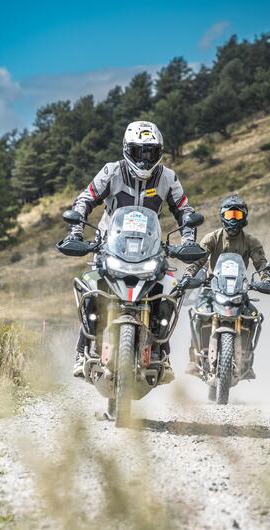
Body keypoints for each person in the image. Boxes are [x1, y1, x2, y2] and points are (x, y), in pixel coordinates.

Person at [64, 120, 196, 378]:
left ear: (159, 152)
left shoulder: (168, 177)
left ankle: (163, 354)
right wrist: (76, 230)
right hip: (110, 244)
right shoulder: (111, 171)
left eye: (151, 153)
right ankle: (82, 352)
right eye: (139, 152)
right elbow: (85, 199)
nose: (145, 160)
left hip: (151, 247)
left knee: (166, 290)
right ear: (127, 150)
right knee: (94, 286)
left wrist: (189, 239)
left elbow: (185, 211)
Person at [184, 194, 270, 377]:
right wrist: (188, 274)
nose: (233, 219)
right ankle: (194, 359)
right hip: (212, 287)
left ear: (244, 218)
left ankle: (247, 359)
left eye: (238, 215)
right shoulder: (212, 238)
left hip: (240, 289)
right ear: (222, 216)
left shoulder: (251, 241)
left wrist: (267, 280)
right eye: (230, 214)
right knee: (198, 313)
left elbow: (262, 265)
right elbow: (198, 260)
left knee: (253, 316)